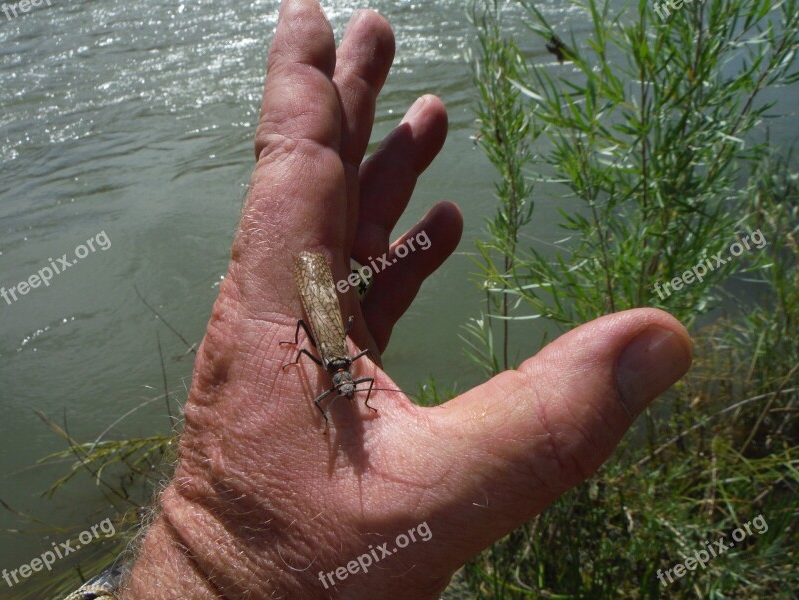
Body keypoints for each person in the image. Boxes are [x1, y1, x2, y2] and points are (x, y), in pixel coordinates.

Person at [115, 1, 693, 597]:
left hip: (331, 335)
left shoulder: (340, 371)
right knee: (320, 341)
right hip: (326, 331)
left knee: (332, 350)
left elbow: (340, 378)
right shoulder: (328, 361)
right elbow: (315, 351)